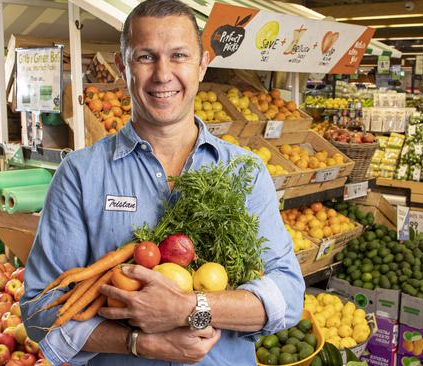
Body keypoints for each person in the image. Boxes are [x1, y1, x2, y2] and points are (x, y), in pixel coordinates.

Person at [20, 0, 305, 364]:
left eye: (179, 55)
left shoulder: (244, 172)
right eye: (145, 57)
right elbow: (40, 312)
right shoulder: (80, 174)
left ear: (202, 65)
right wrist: (138, 342)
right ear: (123, 67)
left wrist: (189, 308)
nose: (162, 74)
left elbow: (288, 294)